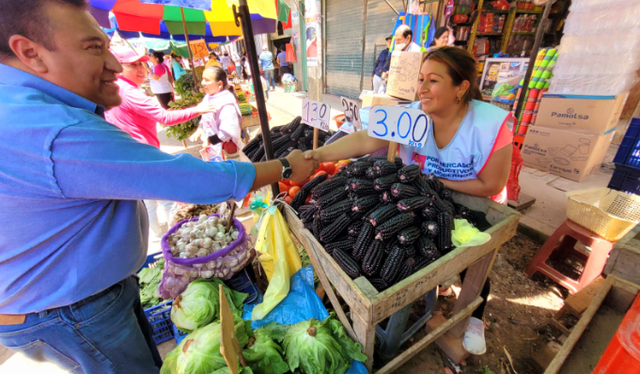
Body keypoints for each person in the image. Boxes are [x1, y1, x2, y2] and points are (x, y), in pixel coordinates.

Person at [0, 1, 318, 373]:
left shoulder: (22, 108)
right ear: (30, 53)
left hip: (71, 300)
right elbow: (188, 179)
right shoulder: (54, 132)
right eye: (93, 47)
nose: (117, 66)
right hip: (69, 309)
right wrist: (283, 166)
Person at [304, 46, 514, 356]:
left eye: (433, 80)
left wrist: (434, 181)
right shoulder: (412, 114)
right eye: (420, 79)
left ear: (461, 88)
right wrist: (317, 154)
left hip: (475, 202)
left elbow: (491, 184)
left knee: (473, 264)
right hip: (421, 200)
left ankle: (475, 318)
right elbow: (367, 137)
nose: (422, 88)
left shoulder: (490, 125)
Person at [105, 47, 217, 241]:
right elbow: (164, 117)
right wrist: (198, 109)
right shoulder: (129, 93)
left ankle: (159, 233)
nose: (141, 68)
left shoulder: (115, 88)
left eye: (141, 63)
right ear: (117, 67)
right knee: (164, 197)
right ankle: (169, 236)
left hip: (130, 154)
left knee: (149, 199)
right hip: (143, 155)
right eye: (132, 65)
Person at [189, 66, 244, 156]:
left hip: (225, 149)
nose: (202, 83)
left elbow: (227, 132)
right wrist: (200, 129)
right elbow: (205, 118)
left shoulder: (226, 103)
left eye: (207, 80)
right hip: (213, 148)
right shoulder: (208, 97)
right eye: (203, 79)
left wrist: (209, 141)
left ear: (219, 84)